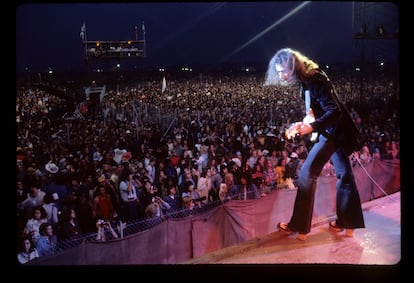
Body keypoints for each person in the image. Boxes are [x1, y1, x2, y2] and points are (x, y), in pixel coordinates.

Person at [264, 47, 365, 240]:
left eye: (284, 71)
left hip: (334, 131)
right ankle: (348, 223)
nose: (282, 76)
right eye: (279, 72)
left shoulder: (314, 79)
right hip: (331, 129)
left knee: (306, 174)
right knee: (345, 175)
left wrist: (313, 127)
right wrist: (302, 123)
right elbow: (315, 110)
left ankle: (299, 226)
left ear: (294, 66)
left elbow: (335, 112)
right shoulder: (306, 80)